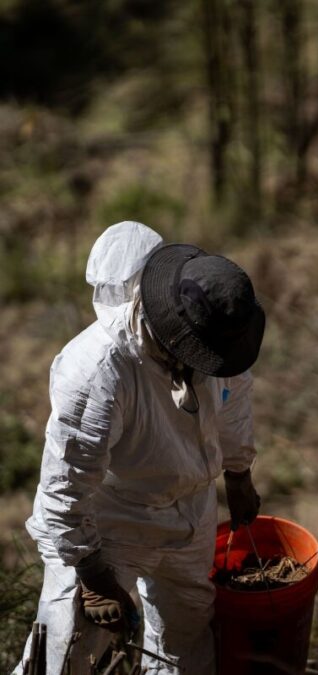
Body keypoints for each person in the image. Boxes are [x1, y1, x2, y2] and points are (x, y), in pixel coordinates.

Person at [14, 221, 266, 674]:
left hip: (192, 509)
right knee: (67, 657)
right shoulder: (96, 370)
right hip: (112, 519)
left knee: (186, 645)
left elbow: (233, 404)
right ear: (175, 334)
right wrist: (91, 574)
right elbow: (65, 488)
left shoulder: (218, 332)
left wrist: (238, 472)